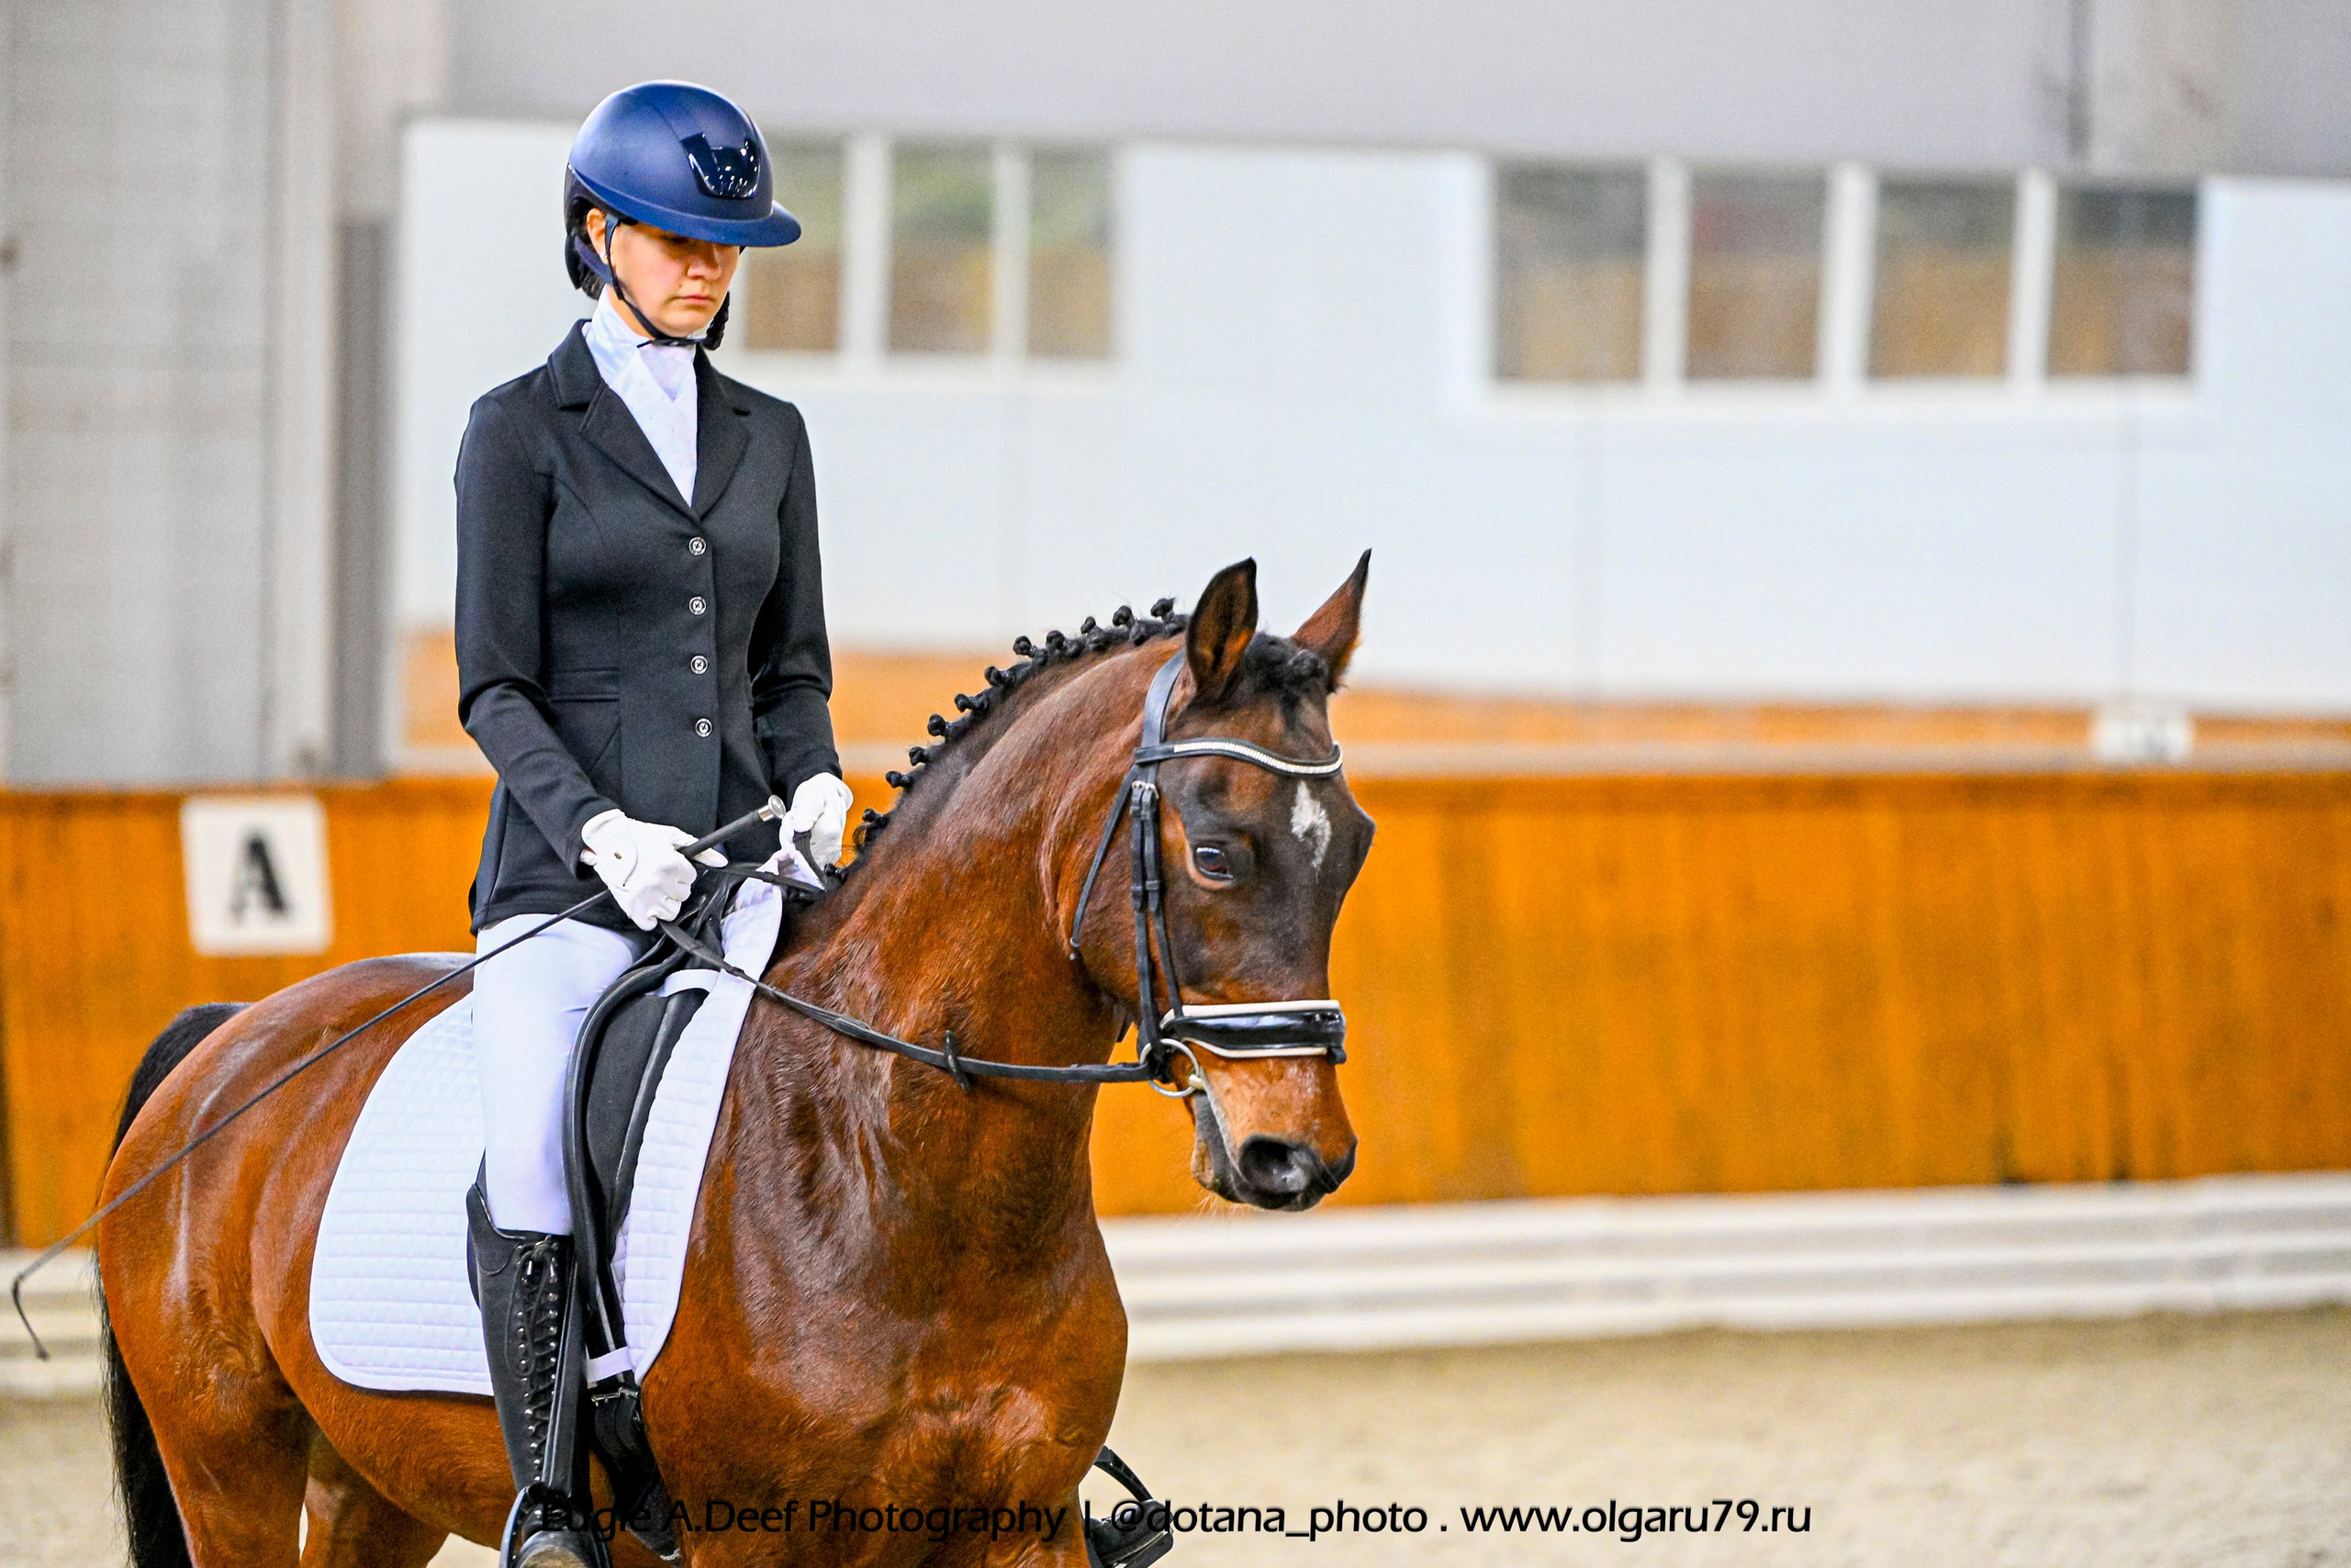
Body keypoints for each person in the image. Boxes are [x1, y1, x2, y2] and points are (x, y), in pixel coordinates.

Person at [451, 80, 854, 1568]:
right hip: (567, 887)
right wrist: (602, 832)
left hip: (742, 875)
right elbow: (492, 686)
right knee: (532, 1152)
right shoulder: (518, 431)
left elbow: (789, 669)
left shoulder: (771, 434)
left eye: (725, 245)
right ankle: (549, 1499)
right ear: (597, 234)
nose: (708, 268)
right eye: (679, 240)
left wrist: (813, 780)